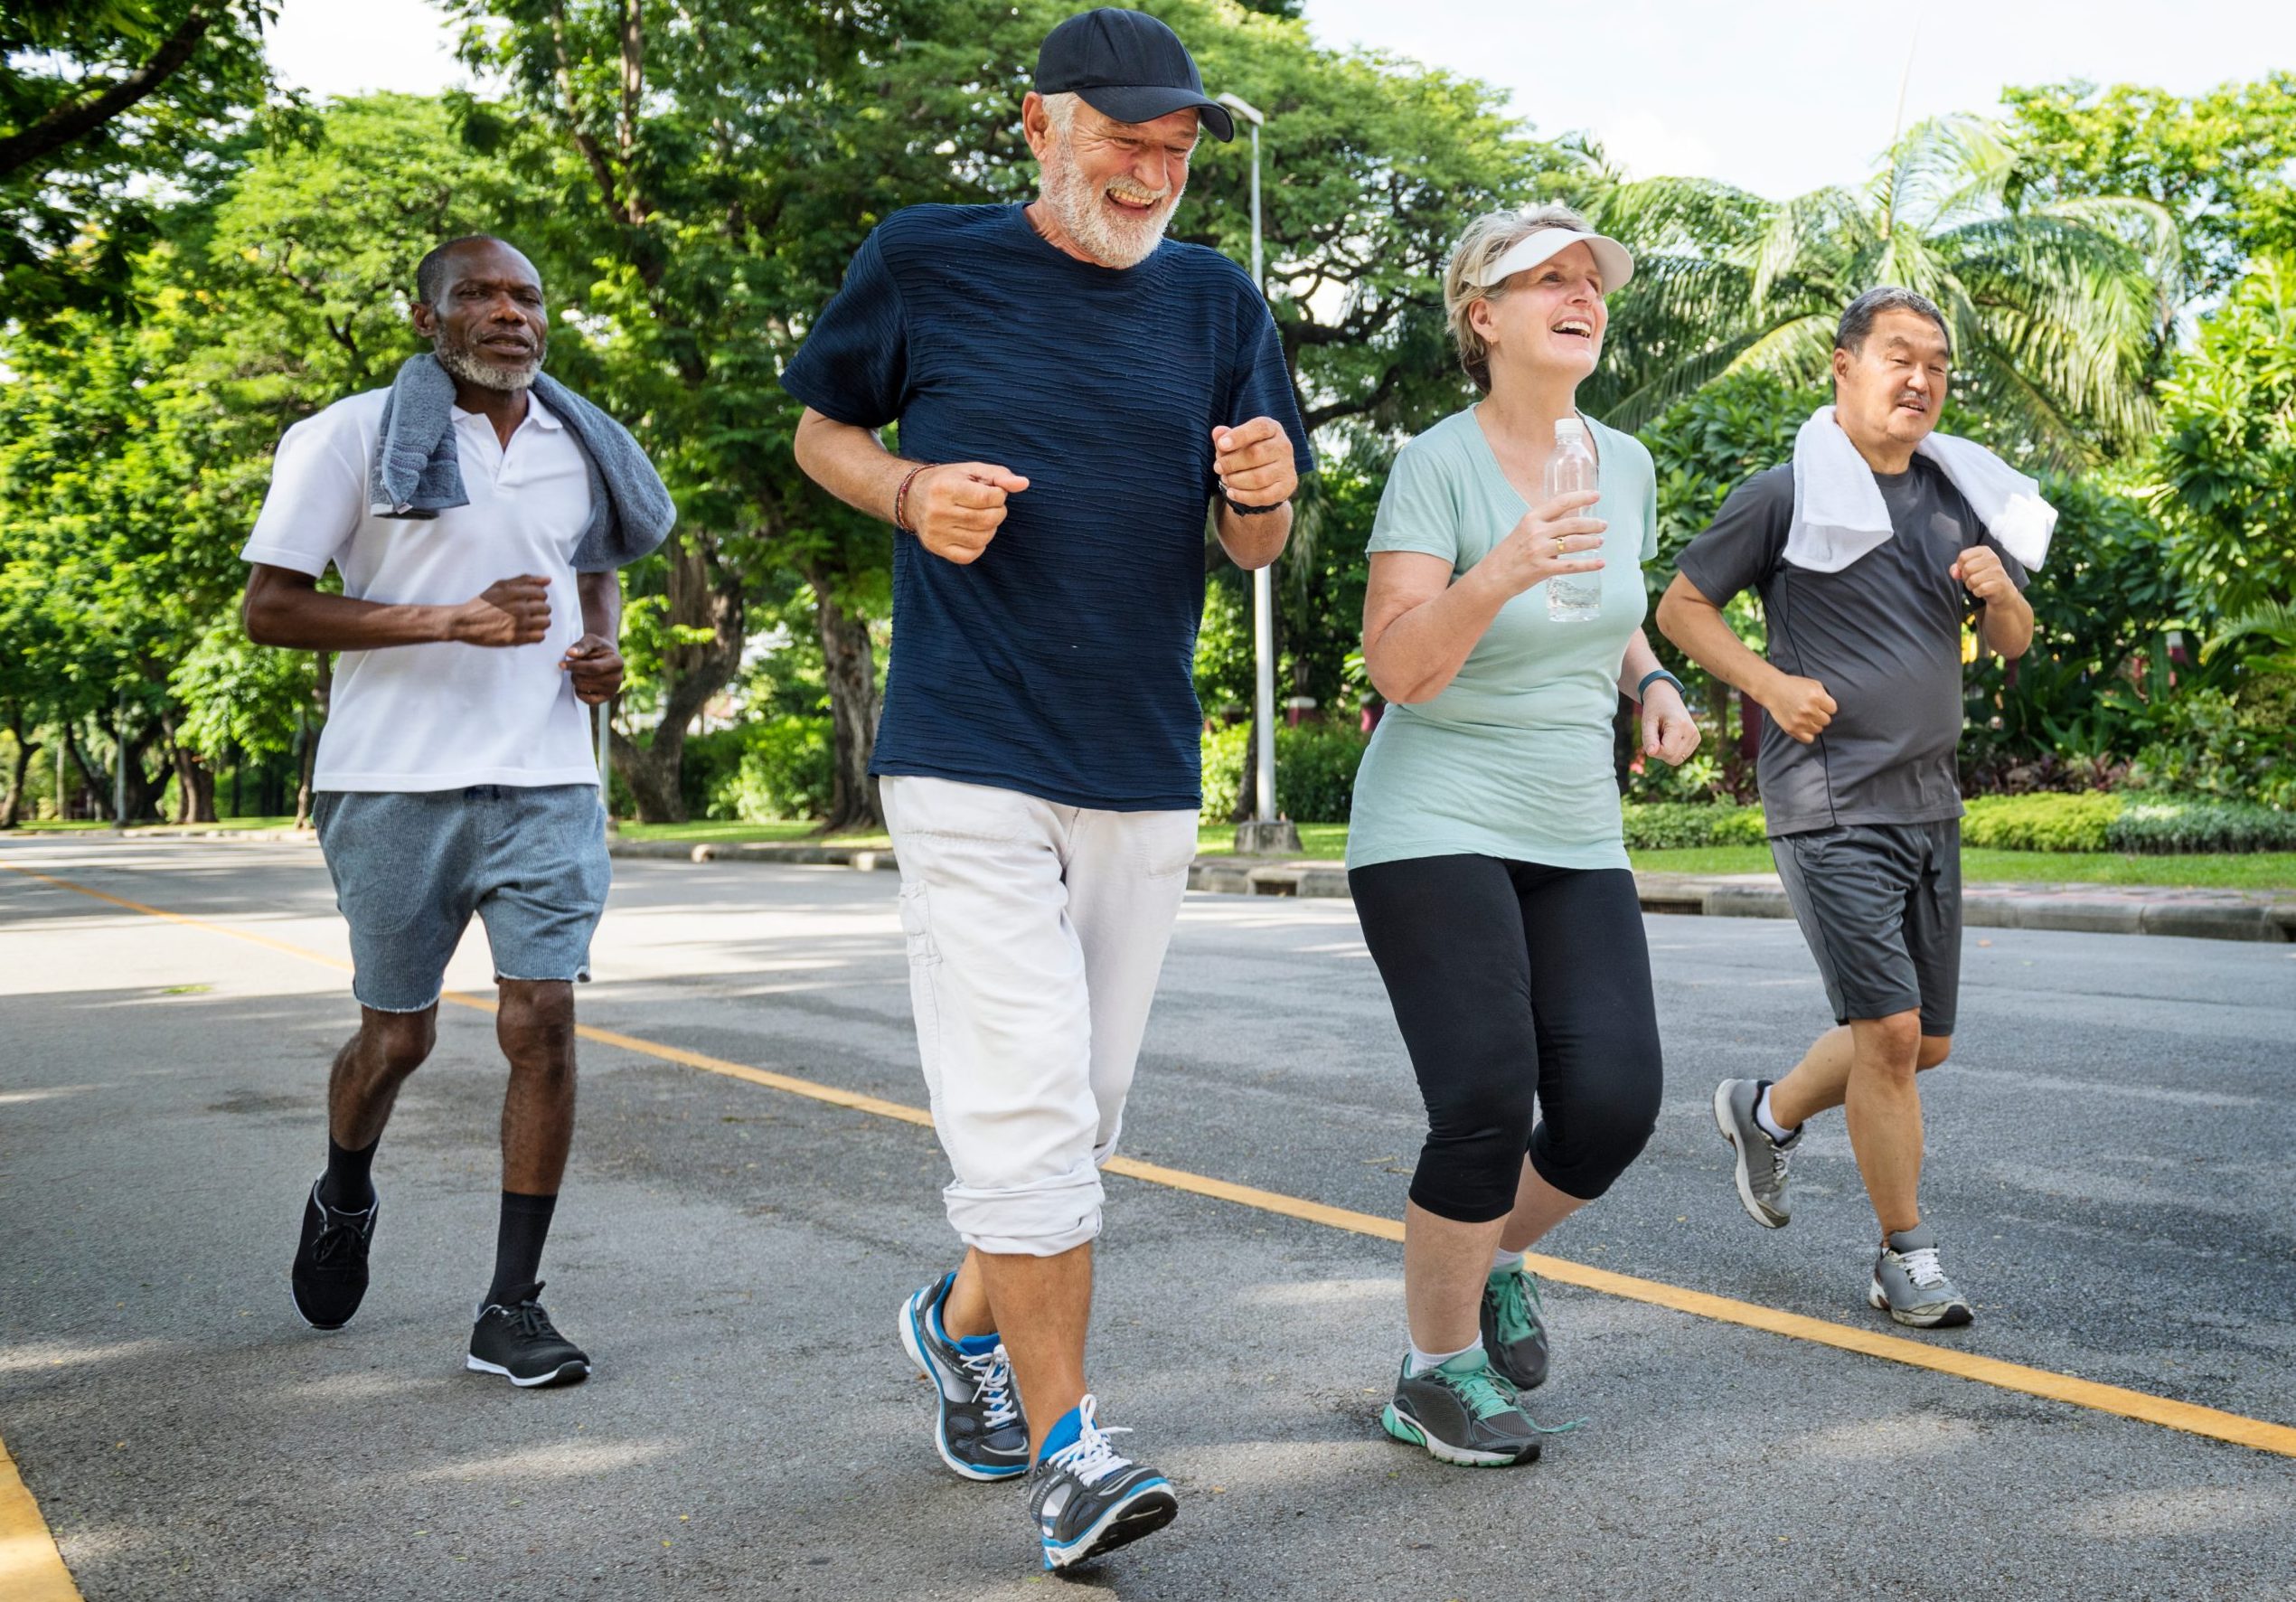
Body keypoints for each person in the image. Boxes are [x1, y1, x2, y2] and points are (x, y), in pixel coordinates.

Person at [780, 7, 1312, 1572]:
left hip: (1141, 756)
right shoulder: (925, 259)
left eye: (1177, 151)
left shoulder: (1219, 301)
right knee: (1023, 1107)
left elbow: (1256, 544)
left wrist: (1264, 501)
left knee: (1080, 1122)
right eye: (1126, 143)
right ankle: (1074, 1451)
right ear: (1037, 126)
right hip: (965, 744)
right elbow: (823, 426)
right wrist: (904, 488)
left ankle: (958, 1325)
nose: (1154, 175)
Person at [240, 234, 673, 1385]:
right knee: (400, 1035)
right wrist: (446, 620)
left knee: (541, 1020)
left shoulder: (578, 442)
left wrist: (603, 652)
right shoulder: (346, 436)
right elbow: (272, 610)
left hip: (546, 778)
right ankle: (343, 1189)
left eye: (526, 294)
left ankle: (511, 1304)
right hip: (390, 781)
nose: (507, 313)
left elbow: (591, 565)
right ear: (426, 316)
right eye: (477, 294)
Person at [1347, 203, 1700, 1467]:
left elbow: (1602, 616)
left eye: (1590, 278)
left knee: (1611, 1106)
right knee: (1487, 1097)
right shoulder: (1434, 464)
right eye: (1543, 278)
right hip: (1430, 814)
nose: (1579, 293)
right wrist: (1494, 569)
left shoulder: (1628, 461)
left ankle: (1489, 1261)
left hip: (1571, 822)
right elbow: (1401, 663)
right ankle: (1431, 1372)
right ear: (1481, 317)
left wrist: (1652, 684)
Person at [1656, 286, 2039, 1329]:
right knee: (1888, 1032)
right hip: (1826, 799)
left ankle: (1764, 1111)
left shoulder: (1954, 497)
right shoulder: (1784, 493)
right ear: (1843, 366)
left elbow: (2011, 639)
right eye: (1898, 357)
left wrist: (1996, 587)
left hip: (1928, 800)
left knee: (1922, 1045)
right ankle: (1902, 1255)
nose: (1919, 379)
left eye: (1936, 365)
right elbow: (1679, 606)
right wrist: (1769, 687)